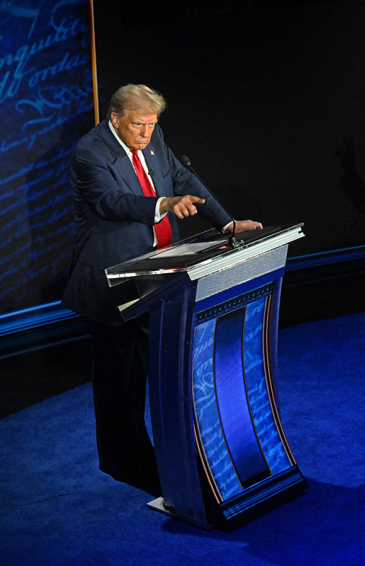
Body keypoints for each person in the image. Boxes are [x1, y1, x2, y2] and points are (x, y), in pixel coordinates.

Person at [62, 84, 262, 496]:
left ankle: (170, 456)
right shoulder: (90, 152)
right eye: (139, 124)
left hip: (160, 276)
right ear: (115, 117)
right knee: (121, 381)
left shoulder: (154, 138)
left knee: (162, 367)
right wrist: (163, 205)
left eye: (152, 125)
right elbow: (111, 202)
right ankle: (123, 461)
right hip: (113, 282)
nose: (147, 133)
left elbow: (183, 178)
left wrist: (226, 223)